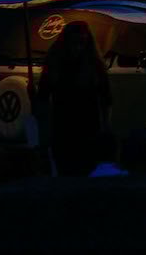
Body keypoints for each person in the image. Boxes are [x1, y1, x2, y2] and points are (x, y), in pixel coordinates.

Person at [39, 21, 111, 178]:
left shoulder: (92, 66)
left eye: (81, 43)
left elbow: (105, 99)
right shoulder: (90, 65)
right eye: (75, 42)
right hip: (68, 128)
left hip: (81, 128)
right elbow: (43, 98)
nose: (77, 47)